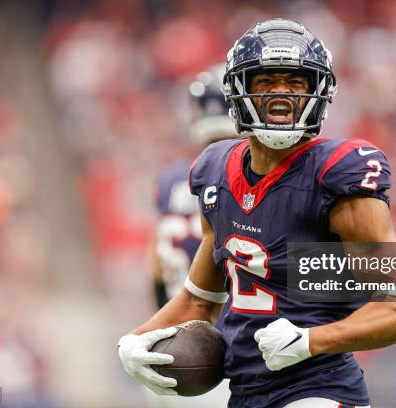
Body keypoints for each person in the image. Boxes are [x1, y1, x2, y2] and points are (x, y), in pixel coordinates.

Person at [119, 19, 396, 408]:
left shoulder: (336, 173)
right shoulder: (215, 170)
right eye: (266, 82)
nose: (281, 95)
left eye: (296, 83)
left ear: (319, 92)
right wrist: (133, 340)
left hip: (318, 390)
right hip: (244, 393)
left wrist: (310, 341)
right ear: (239, 91)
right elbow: (199, 300)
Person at [147, 64, 235, 408]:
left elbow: (155, 268)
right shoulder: (247, 178)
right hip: (230, 351)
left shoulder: (171, 179)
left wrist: (164, 330)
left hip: (174, 351)